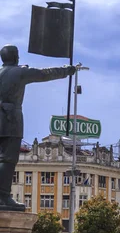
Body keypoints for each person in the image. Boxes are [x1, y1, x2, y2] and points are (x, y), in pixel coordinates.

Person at [0, 44, 75, 210]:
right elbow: (44, 74)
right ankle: (3, 196)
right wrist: (66, 70)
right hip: (11, 119)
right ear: (15, 57)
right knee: (8, 159)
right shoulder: (19, 72)